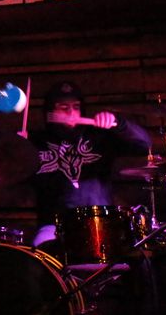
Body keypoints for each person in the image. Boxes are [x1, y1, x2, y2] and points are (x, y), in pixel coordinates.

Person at [30, 80, 152, 252]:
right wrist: (16, 148)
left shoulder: (99, 137)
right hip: (54, 225)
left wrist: (118, 123)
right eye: (63, 107)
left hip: (99, 221)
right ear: (50, 111)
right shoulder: (35, 143)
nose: (71, 112)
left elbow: (144, 145)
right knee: (40, 255)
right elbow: (9, 173)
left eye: (76, 107)